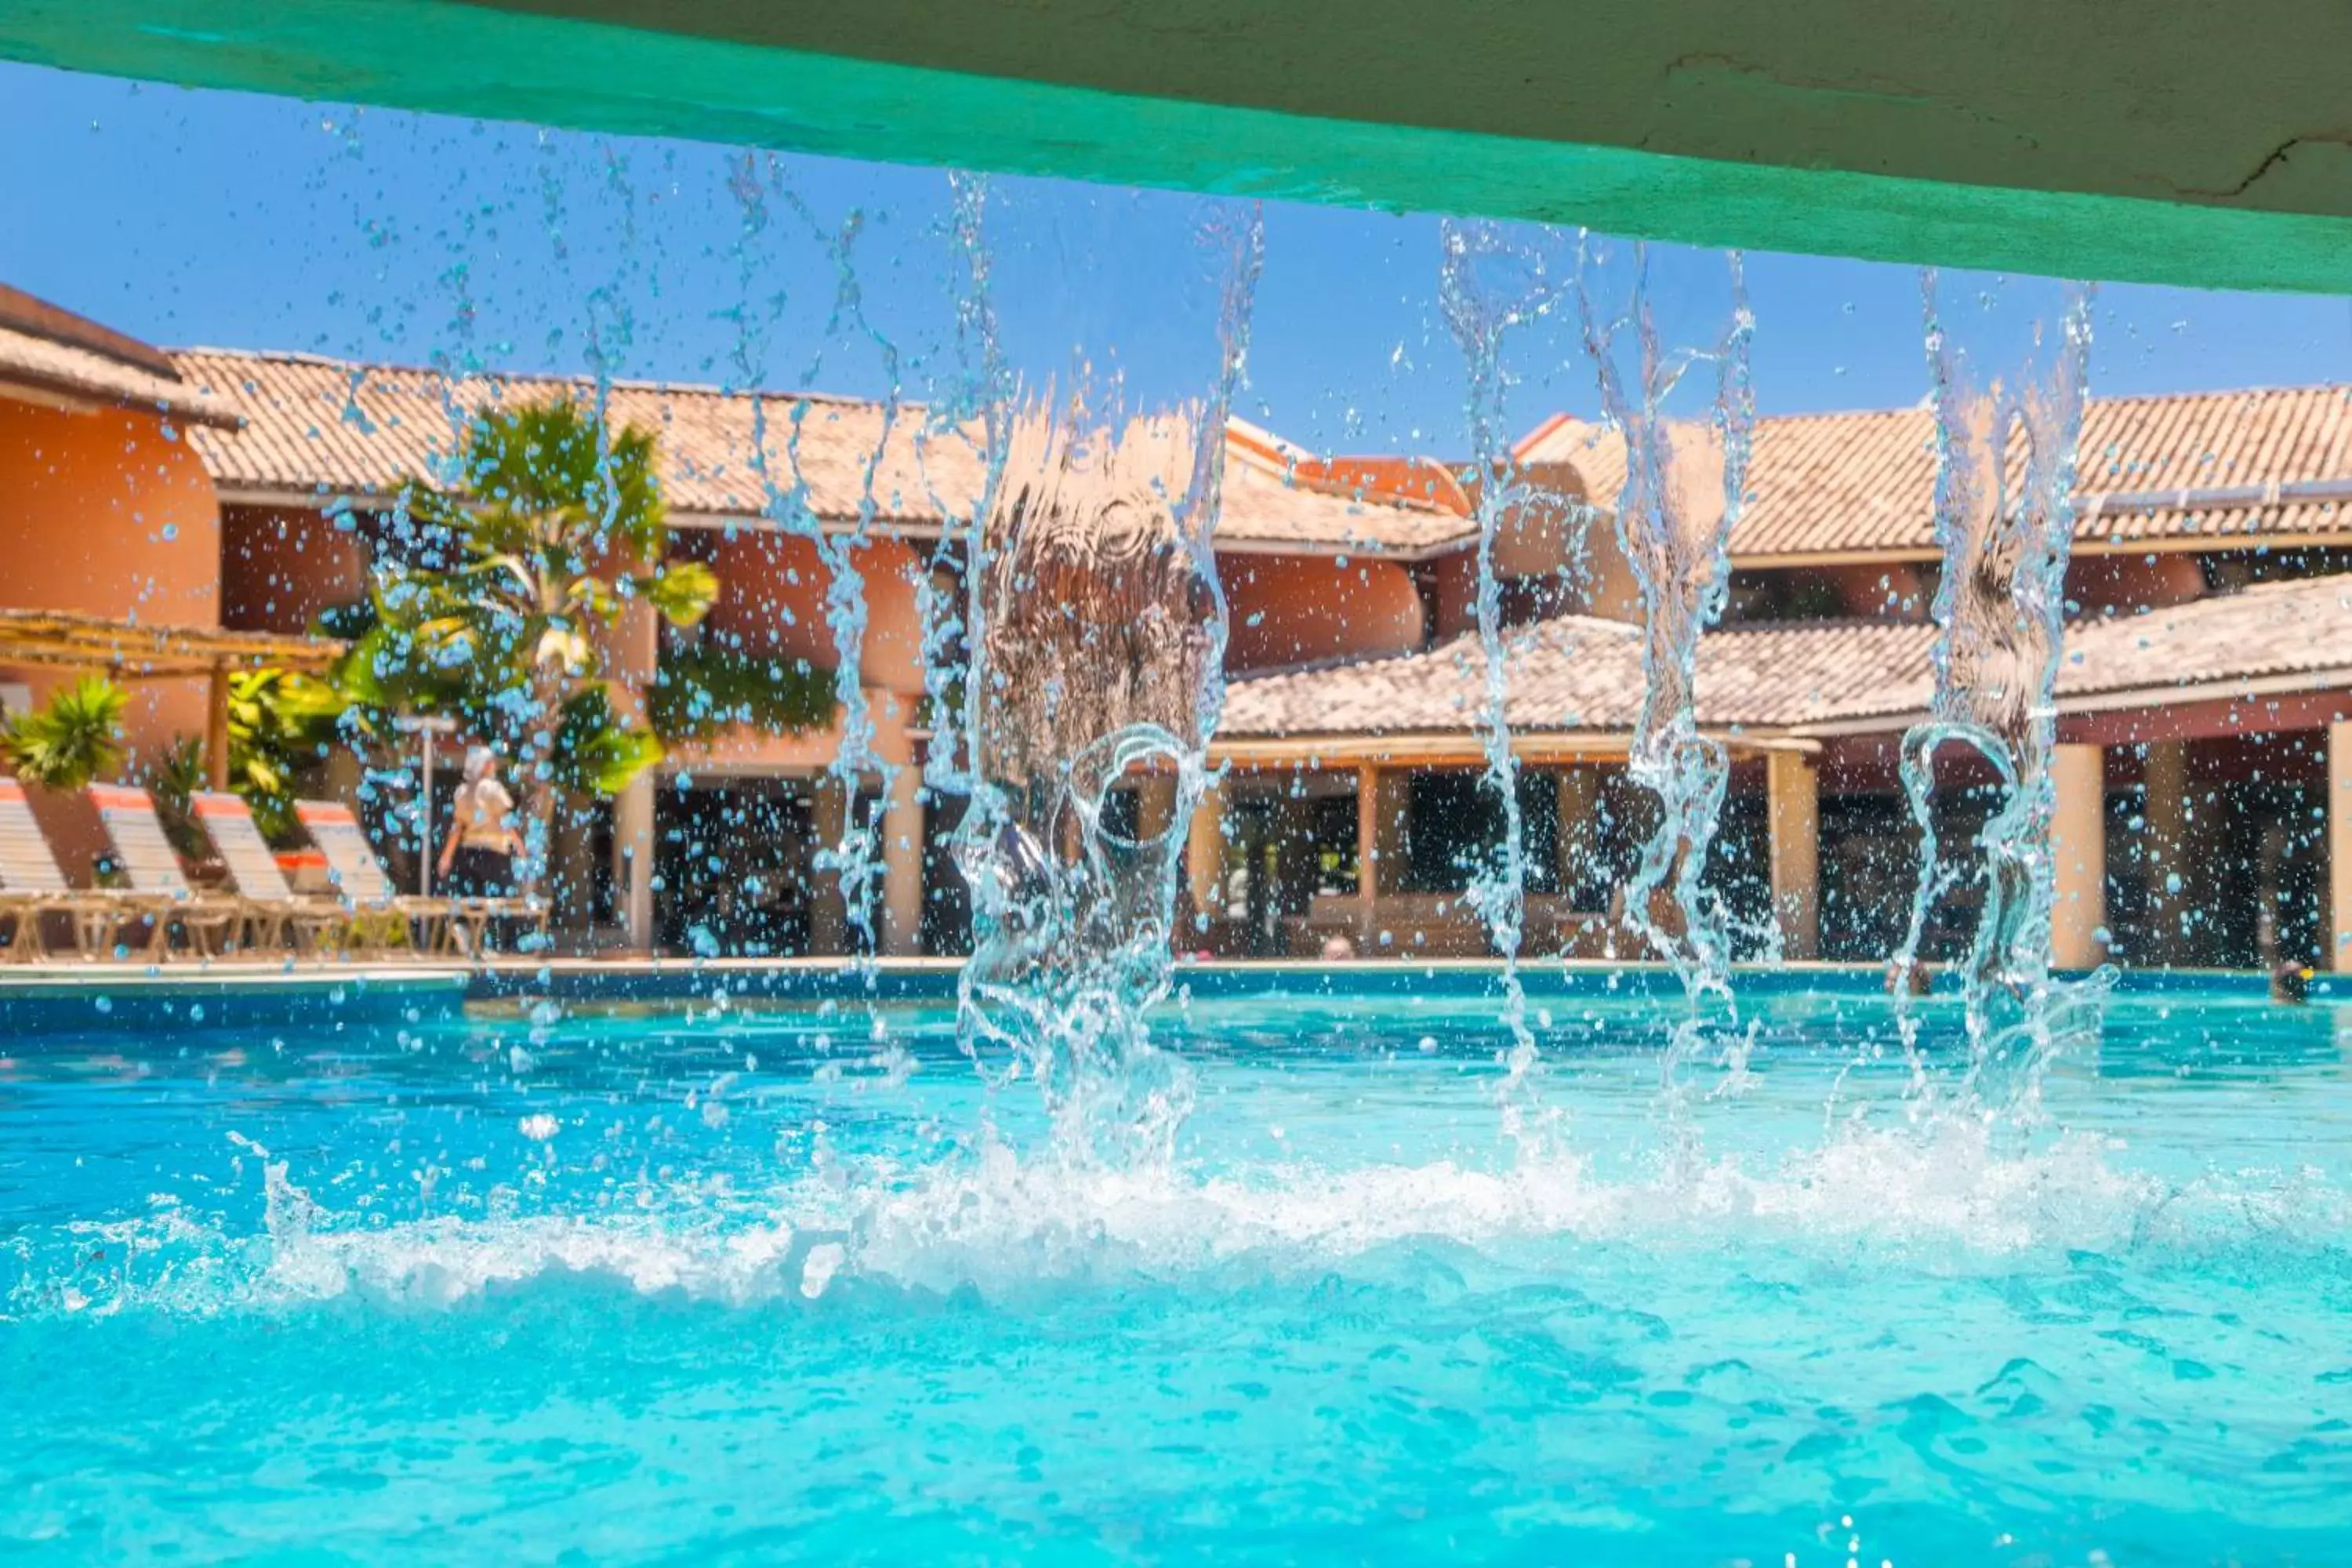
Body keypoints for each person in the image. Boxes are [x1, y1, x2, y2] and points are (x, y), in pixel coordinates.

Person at [437, 746, 521, 898]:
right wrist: (521, 849)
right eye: (491, 762)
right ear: (485, 765)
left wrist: (446, 856)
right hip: (494, 853)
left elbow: (457, 828)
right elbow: (505, 821)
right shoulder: (493, 789)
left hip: (469, 853)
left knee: (471, 903)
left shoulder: (462, 792)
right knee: (498, 904)